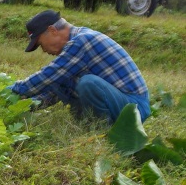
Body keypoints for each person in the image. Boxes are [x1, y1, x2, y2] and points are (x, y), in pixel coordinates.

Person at [10, 10, 151, 124]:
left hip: (134, 107)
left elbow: (48, 75)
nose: (44, 50)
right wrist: (18, 107)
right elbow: (53, 89)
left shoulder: (83, 40)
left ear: (52, 30)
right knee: (65, 82)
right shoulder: (74, 49)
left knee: (88, 83)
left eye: (41, 44)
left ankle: (101, 129)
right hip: (121, 102)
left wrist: (14, 89)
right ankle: (90, 123)